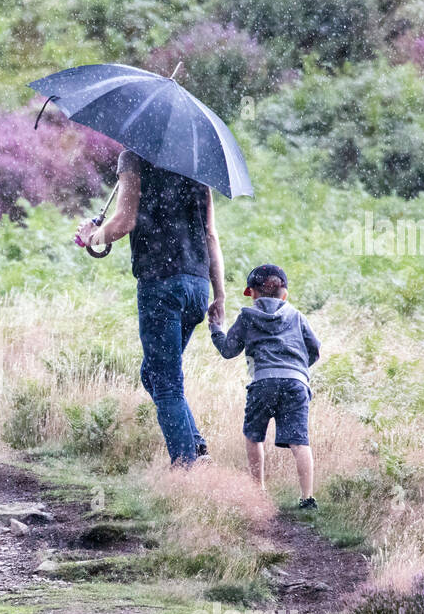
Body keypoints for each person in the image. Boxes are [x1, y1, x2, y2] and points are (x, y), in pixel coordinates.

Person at [77, 149, 227, 466]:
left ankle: (185, 468)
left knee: (166, 382)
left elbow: (124, 221)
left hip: (161, 285)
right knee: (154, 374)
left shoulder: (133, 156)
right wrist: (220, 295)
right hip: (197, 287)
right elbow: (211, 235)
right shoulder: (196, 162)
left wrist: (93, 237)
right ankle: (197, 449)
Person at [208, 264, 321, 508]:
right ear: (285, 294)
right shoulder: (297, 316)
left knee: (254, 435)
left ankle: (258, 492)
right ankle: (307, 498)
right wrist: (298, 368)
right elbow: (315, 349)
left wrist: (215, 329)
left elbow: (229, 350)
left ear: (253, 294)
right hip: (296, 383)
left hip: (263, 382)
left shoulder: (247, 317)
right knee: (300, 441)